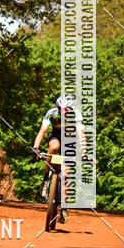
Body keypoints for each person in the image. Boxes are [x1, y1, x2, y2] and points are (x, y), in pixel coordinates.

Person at [32, 94, 87, 223]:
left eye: (66, 110)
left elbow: (81, 134)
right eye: (61, 109)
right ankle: (46, 179)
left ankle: (64, 207)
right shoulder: (51, 113)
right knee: (54, 148)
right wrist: (36, 147)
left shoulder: (76, 114)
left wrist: (84, 152)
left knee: (66, 174)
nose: (64, 112)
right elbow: (42, 131)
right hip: (56, 136)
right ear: (58, 108)